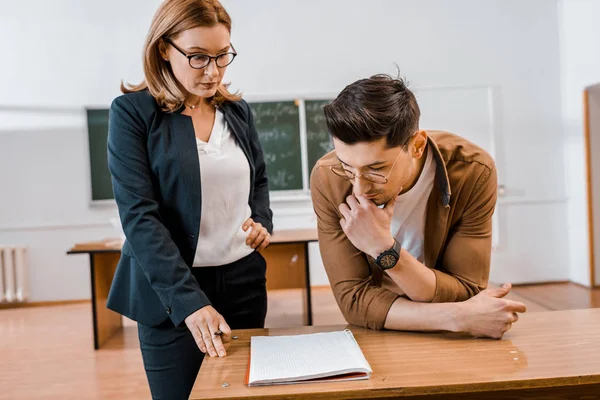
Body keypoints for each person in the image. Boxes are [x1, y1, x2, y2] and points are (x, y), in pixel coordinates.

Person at [106, 0, 273, 398]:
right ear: (164, 48)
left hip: (243, 283)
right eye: (197, 57)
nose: (212, 71)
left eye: (222, 56)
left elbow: (259, 180)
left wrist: (262, 220)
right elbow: (140, 217)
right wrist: (189, 302)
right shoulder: (133, 113)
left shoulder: (237, 111)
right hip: (171, 293)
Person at [310, 74, 526, 339]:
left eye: (376, 169)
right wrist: (458, 317)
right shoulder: (328, 179)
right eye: (347, 167)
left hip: (428, 334)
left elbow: (466, 289)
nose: (359, 189)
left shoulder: (472, 170)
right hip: (384, 335)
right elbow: (354, 303)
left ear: (417, 146)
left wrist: (383, 248)